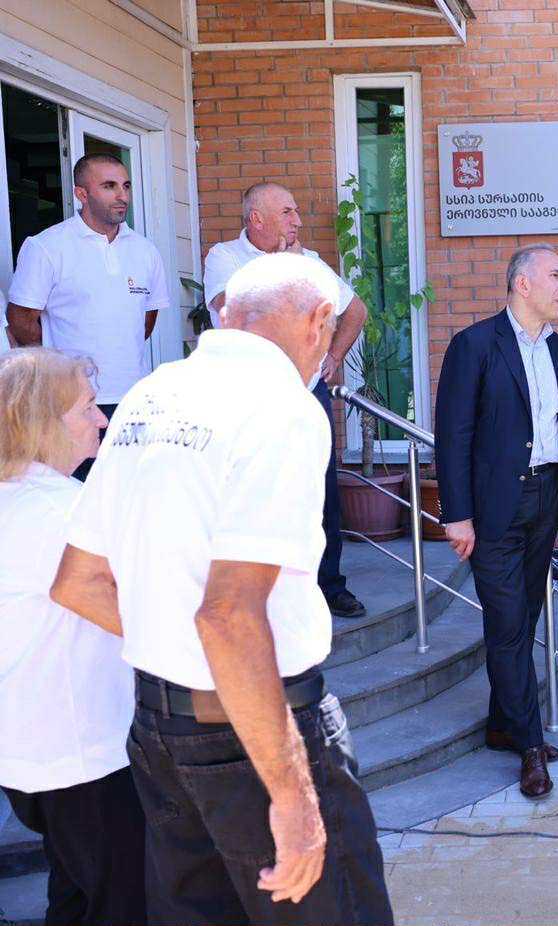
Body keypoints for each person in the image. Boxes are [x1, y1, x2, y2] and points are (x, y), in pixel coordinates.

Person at [50, 253, 393, 924]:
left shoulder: (150, 393)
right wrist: (291, 797)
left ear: (227, 315)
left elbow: (79, 582)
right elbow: (229, 615)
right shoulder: (284, 408)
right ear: (321, 321)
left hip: (158, 727)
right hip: (254, 733)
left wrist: (185, 649)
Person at [435, 244, 558, 799]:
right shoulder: (475, 345)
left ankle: (503, 723)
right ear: (523, 284)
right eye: (557, 275)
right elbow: (453, 436)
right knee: (506, 624)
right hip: (495, 506)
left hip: (546, 499)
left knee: (525, 615)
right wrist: (457, 516)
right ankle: (529, 745)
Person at [0, 348, 145, 926]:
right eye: (87, 407)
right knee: (124, 904)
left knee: (74, 893)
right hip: (82, 751)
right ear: (44, 424)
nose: (101, 418)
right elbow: (129, 611)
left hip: (32, 752)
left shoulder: (18, 499)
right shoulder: (61, 511)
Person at [202, 181, 369, 620]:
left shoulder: (308, 261)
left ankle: (329, 586)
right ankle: (265, 592)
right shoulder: (225, 257)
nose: (297, 221)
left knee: (321, 491)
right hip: (249, 396)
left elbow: (355, 310)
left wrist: (333, 355)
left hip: (306, 391)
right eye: (287, 212)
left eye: (296, 211)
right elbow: (235, 309)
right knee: (258, 491)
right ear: (256, 218)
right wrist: (288, 271)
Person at [5, 154, 168, 480]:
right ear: (81, 194)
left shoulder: (145, 251)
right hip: (71, 405)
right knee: (76, 494)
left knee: (128, 491)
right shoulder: (47, 247)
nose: (122, 196)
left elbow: (145, 320)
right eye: (109, 186)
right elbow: (21, 320)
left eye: (125, 186)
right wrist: (60, 366)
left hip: (134, 401)